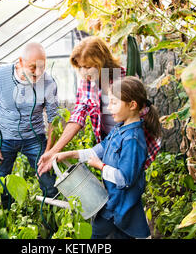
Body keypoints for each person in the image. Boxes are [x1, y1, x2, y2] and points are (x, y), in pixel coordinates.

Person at [37, 36, 161, 175]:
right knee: (113, 180)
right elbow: (78, 116)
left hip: (129, 140)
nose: (83, 72)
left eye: (87, 67)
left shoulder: (125, 77)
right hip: (109, 141)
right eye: (80, 67)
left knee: (128, 178)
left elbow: (137, 115)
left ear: (101, 61)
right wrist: (54, 151)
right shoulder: (87, 82)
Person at [54, 76, 160, 238]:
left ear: (132, 105)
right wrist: (69, 154)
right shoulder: (120, 129)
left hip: (119, 207)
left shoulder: (132, 140)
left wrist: (100, 166)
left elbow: (124, 179)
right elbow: (97, 151)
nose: (109, 108)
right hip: (112, 204)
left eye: (114, 103)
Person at [0, 42, 59, 205]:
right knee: (1, 186)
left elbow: (53, 119)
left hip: (34, 138)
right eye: (32, 67)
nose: (38, 72)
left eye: (42, 67)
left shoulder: (48, 82)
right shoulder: (0, 75)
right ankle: (4, 218)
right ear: (20, 62)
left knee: (49, 183)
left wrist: (49, 151)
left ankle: (51, 222)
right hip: (4, 138)